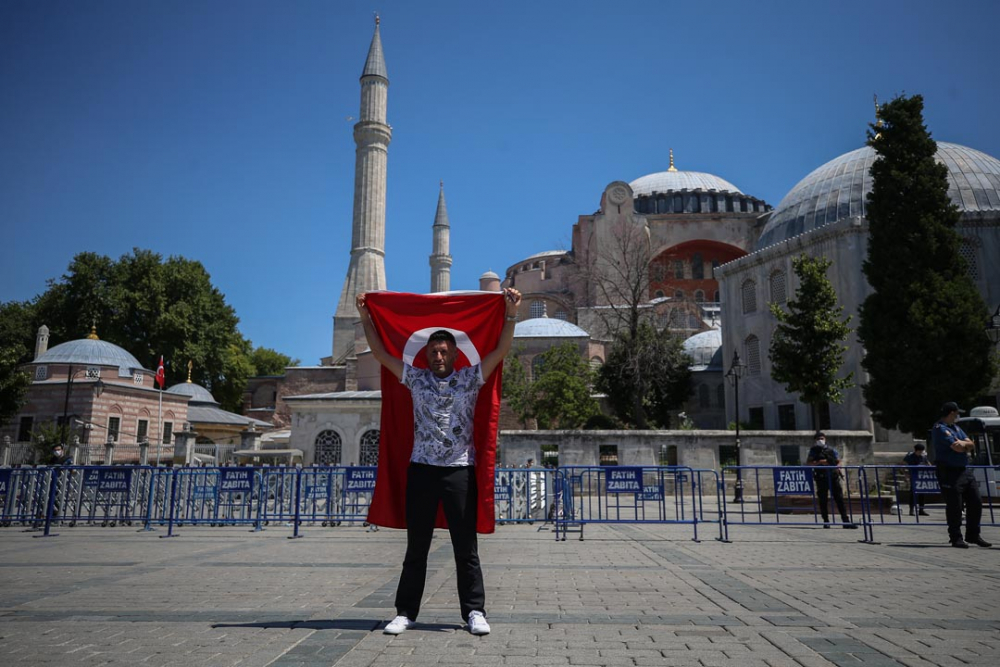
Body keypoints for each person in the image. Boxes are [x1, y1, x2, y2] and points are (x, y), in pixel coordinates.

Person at [357, 287, 521, 636]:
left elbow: (501, 349)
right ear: (426, 355)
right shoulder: (415, 379)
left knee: (466, 547)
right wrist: (365, 316)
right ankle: (405, 612)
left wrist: (510, 314)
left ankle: (474, 611)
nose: (438, 356)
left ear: (454, 353)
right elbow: (380, 352)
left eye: (444, 351)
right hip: (422, 470)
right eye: (433, 351)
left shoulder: (469, 378)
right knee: (417, 546)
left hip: (459, 471)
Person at [932, 402, 991, 549]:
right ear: (952, 413)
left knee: (976, 502)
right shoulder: (940, 428)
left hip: (964, 470)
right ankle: (955, 537)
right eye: (957, 413)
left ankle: (973, 535)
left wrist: (964, 444)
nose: (958, 416)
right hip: (948, 472)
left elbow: (971, 444)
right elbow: (957, 447)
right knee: (955, 506)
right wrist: (963, 445)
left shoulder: (956, 428)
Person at [806, 432, 857, 529]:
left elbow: (838, 461)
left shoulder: (831, 450)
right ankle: (826, 521)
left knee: (839, 499)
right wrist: (820, 462)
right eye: (818, 439)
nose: (820, 440)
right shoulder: (813, 451)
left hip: (833, 477)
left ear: (825, 439)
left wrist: (835, 466)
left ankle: (845, 521)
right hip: (821, 478)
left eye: (821, 438)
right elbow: (809, 463)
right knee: (823, 500)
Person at [902, 443, 931, 516]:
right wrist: (906, 474)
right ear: (916, 451)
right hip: (914, 477)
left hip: (922, 477)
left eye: (922, 451)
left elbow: (928, 464)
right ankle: (911, 510)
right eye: (920, 451)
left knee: (922, 493)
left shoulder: (923, 456)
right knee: (913, 494)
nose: (921, 453)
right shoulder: (910, 456)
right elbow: (902, 464)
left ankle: (921, 510)